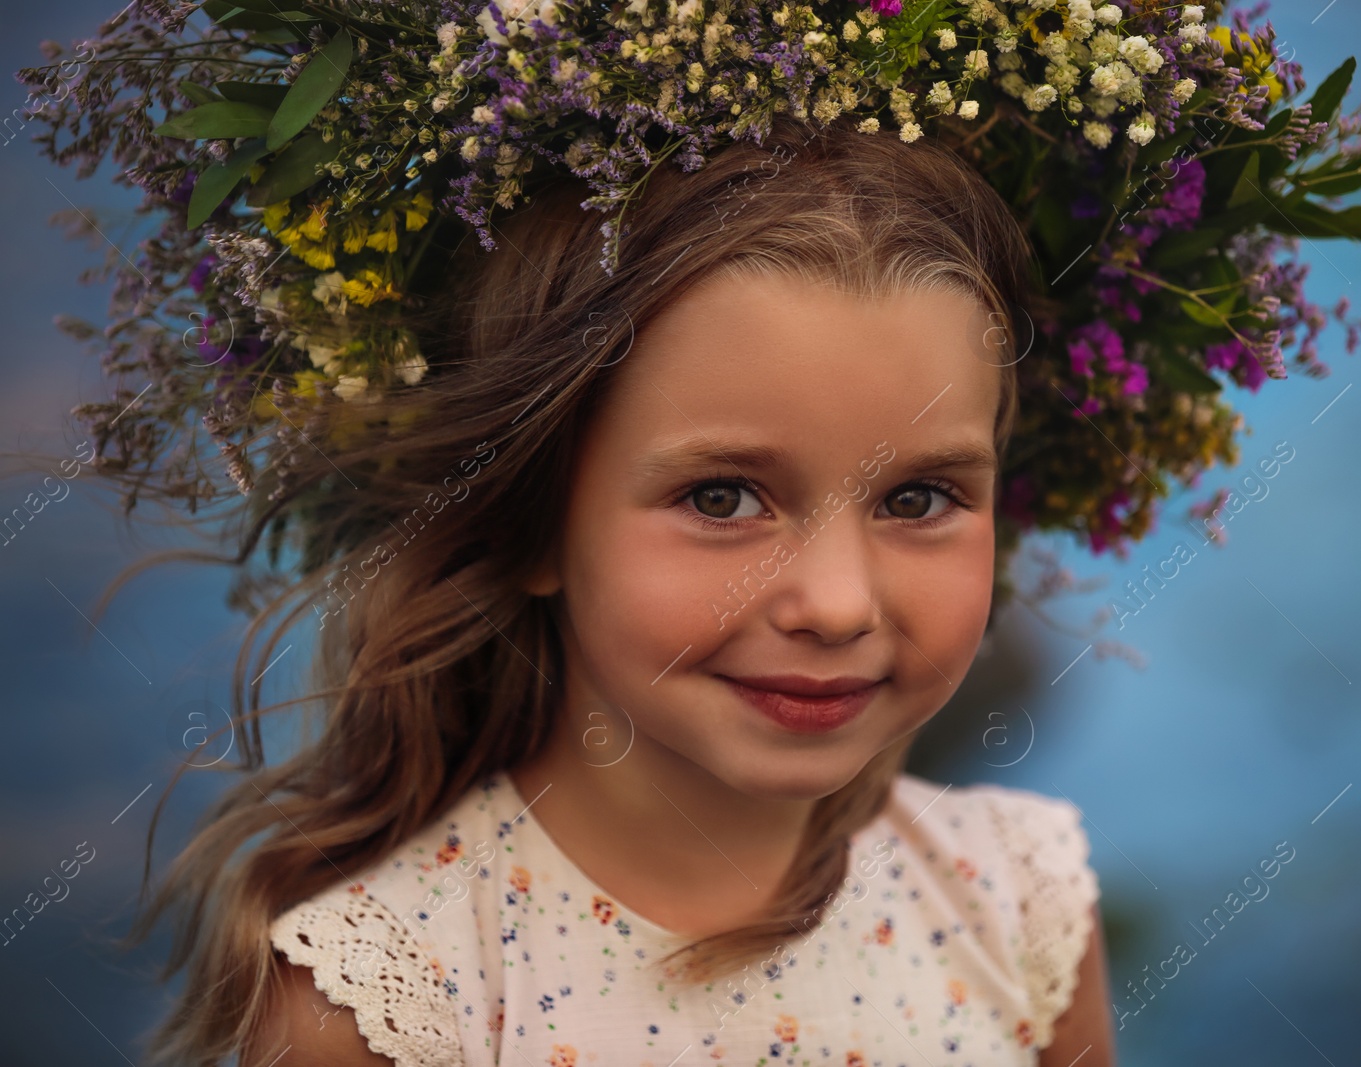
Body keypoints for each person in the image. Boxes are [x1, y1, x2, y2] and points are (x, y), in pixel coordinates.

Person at [171, 118, 1111, 1066]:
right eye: (721, 496)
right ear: (534, 522)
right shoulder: (389, 997)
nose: (836, 605)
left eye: (918, 498)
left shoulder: (1020, 902)